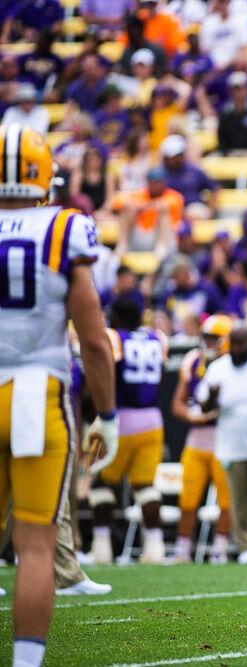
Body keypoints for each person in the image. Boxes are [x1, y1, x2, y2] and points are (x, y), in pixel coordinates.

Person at [0, 123, 117, 667]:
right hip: (34, 394)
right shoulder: (64, 227)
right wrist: (106, 414)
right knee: (37, 545)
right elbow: (93, 340)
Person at [88, 298, 169, 565]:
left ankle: (101, 549)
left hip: (122, 418)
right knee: (146, 487)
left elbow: (103, 370)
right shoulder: (157, 338)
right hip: (153, 420)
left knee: (100, 483)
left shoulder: (114, 337)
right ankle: (155, 549)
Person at [198, 323, 247, 565]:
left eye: (241, 343)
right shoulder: (218, 367)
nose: (237, 348)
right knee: (238, 498)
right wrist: (212, 395)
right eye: (234, 343)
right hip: (232, 443)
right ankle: (245, 546)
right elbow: (204, 406)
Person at [170, 315, 233, 564]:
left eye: (215, 338)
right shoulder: (193, 360)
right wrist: (192, 415)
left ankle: (220, 549)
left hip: (223, 438)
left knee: (226, 500)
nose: (210, 343)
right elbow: (177, 404)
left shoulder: (232, 365)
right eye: (207, 337)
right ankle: (183, 549)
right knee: (187, 498)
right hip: (197, 439)